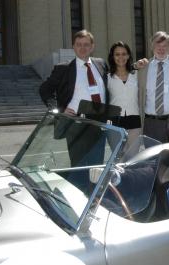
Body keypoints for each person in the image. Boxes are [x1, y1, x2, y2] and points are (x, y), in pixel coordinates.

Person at [39, 29, 109, 191]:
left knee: (96, 168)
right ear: (73, 47)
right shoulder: (63, 69)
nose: (82, 48)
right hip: (76, 124)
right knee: (78, 168)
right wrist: (59, 110)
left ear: (92, 46)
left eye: (86, 45)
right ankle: (78, 199)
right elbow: (45, 90)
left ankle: (93, 198)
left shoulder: (101, 64)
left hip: (99, 123)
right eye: (79, 45)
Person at [137, 31, 169, 143]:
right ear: (152, 46)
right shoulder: (143, 68)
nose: (161, 49)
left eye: (165, 45)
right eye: (158, 45)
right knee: (152, 157)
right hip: (151, 123)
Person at [107, 41, 141, 149]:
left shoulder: (137, 75)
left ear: (128, 55)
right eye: (117, 54)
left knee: (133, 158)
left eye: (124, 54)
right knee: (118, 158)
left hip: (135, 121)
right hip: (114, 122)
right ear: (112, 57)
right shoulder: (106, 77)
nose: (120, 57)